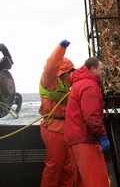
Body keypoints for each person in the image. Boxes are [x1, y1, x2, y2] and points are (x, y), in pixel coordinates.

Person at [64, 57, 110, 187]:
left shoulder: (78, 83)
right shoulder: (90, 86)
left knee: (81, 181)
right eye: (101, 69)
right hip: (84, 139)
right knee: (97, 181)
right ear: (92, 69)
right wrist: (102, 135)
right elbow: (91, 116)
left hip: (74, 139)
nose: (103, 72)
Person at [39, 40, 75, 187]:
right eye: (69, 73)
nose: (72, 76)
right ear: (61, 73)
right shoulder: (49, 81)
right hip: (53, 128)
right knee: (54, 167)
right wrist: (61, 48)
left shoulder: (68, 85)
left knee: (70, 167)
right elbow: (50, 66)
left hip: (67, 128)